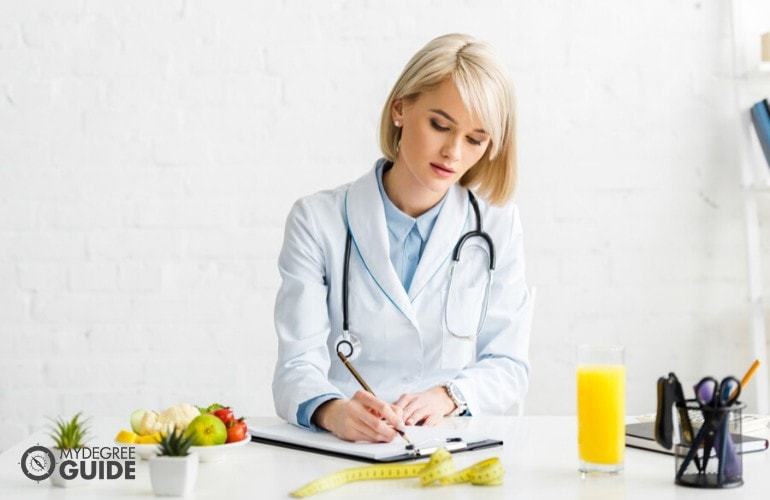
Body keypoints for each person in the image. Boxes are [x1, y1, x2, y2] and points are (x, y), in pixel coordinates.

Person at [272, 33, 531, 443]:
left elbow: (509, 364)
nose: (453, 153)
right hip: (348, 448)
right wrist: (333, 411)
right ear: (400, 108)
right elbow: (294, 368)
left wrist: (448, 396)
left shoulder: (498, 226)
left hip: (453, 448)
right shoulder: (317, 221)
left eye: (475, 139)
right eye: (440, 125)